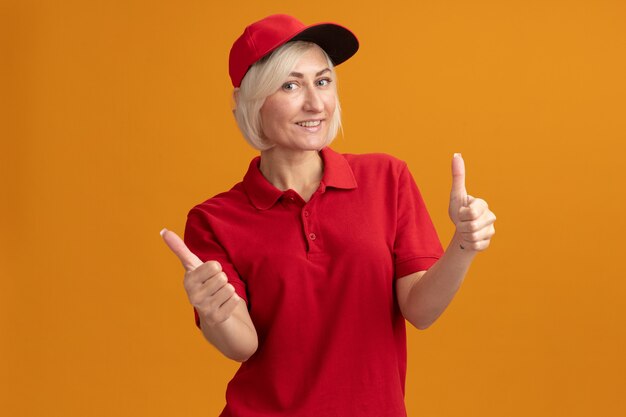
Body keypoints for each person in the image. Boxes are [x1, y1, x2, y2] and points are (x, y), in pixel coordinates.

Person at [161, 14, 496, 417]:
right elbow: (242, 345)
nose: (315, 103)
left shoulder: (387, 178)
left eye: (322, 81)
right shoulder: (214, 219)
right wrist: (212, 312)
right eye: (290, 85)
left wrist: (462, 245)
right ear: (252, 102)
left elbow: (420, 312)